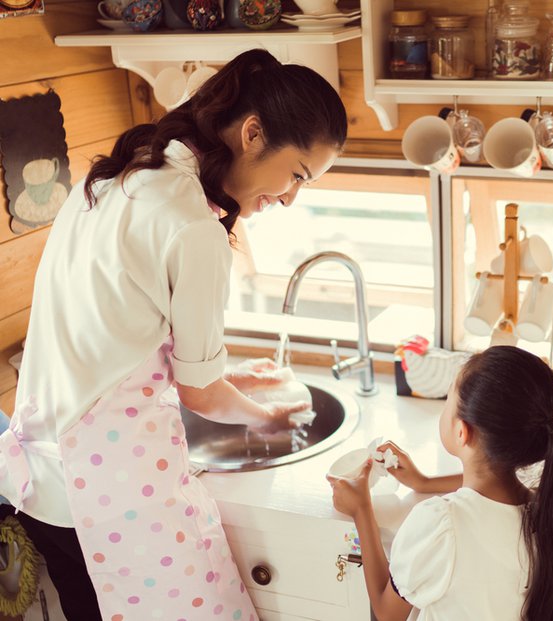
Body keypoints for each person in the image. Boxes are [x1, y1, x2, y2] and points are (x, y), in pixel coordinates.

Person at [0, 48, 347, 620]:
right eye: (296, 175)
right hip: (109, 498)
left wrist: (230, 375)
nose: (290, 197)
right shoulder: (194, 228)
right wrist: (274, 417)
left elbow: (115, 340)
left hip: (43, 482)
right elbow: (200, 395)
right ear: (254, 133)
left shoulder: (121, 175)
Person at [329, 345, 553, 621]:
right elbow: (491, 486)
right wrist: (424, 482)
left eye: (447, 399)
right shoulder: (544, 506)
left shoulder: (441, 523)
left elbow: (387, 613)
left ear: (462, 432)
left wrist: (361, 509)